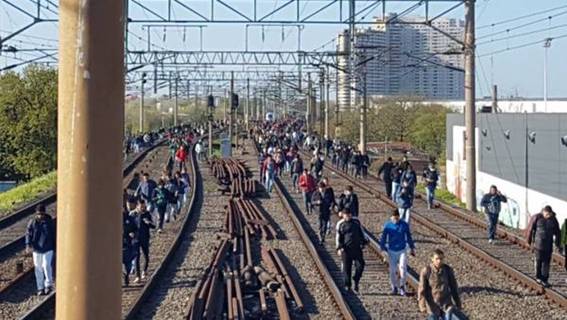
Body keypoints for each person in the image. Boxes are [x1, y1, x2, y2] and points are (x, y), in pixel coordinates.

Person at [379, 209, 416, 296]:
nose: (395, 220)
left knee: (403, 268)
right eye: (393, 218)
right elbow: (383, 238)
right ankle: (394, 287)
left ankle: (402, 286)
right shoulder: (387, 226)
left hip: (402, 250)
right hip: (391, 251)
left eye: (396, 218)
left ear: (399, 217)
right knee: (392, 270)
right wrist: (382, 249)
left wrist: (412, 247)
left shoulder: (404, 225)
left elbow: (409, 237)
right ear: (390, 218)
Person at [418, 249, 462, 320]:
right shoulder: (426, 270)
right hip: (432, 304)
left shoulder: (447, 270)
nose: (439, 261)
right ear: (432, 259)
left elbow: (453, 287)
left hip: (446, 303)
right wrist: (422, 305)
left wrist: (458, 302)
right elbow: (421, 289)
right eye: (437, 259)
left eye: (441, 259)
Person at [527, 206, 562, 287]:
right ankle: (538, 277)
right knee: (538, 261)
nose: (548, 216)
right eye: (546, 214)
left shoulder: (553, 219)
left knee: (546, 263)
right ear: (543, 212)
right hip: (538, 244)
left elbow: (557, 232)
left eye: (549, 214)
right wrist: (528, 241)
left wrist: (557, 244)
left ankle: (545, 279)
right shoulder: (537, 217)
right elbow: (530, 229)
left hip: (548, 245)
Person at [25, 204, 56, 296]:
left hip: (48, 247)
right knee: (38, 268)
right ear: (36, 214)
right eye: (39, 214)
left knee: (46, 266)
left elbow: (53, 234)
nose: (40, 216)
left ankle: (48, 285)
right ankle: (40, 287)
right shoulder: (32, 223)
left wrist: (55, 247)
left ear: (44, 213)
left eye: (42, 214)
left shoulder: (49, 222)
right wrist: (28, 245)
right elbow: (28, 234)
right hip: (36, 249)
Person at [336, 209, 367, 293]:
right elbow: (339, 238)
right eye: (345, 215)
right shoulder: (341, 225)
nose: (347, 216)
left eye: (349, 215)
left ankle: (356, 278)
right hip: (346, 250)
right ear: (343, 215)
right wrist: (339, 248)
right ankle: (347, 285)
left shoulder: (356, 223)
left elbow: (361, 233)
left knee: (360, 265)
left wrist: (364, 242)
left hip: (357, 249)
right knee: (347, 268)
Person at [131, 200, 156, 283]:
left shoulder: (147, 214)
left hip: (145, 238)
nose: (143, 208)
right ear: (137, 206)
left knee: (146, 255)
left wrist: (148, 222)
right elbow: (128, 226)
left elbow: (153, 226)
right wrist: (130, 233)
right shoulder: (133, 214)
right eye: (141, 207)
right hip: (135, 239)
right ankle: (137, 276)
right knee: (136, 257)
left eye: (144, 207)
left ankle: (144, 271)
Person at [123, 197, 138, 286]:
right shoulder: (114, 219)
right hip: (119, 244)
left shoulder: (129, 219)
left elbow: (136, 229)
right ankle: (124, 278)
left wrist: (133, 234)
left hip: (128, 244)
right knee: (121, 264)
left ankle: (126, 274)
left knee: (127, 263)